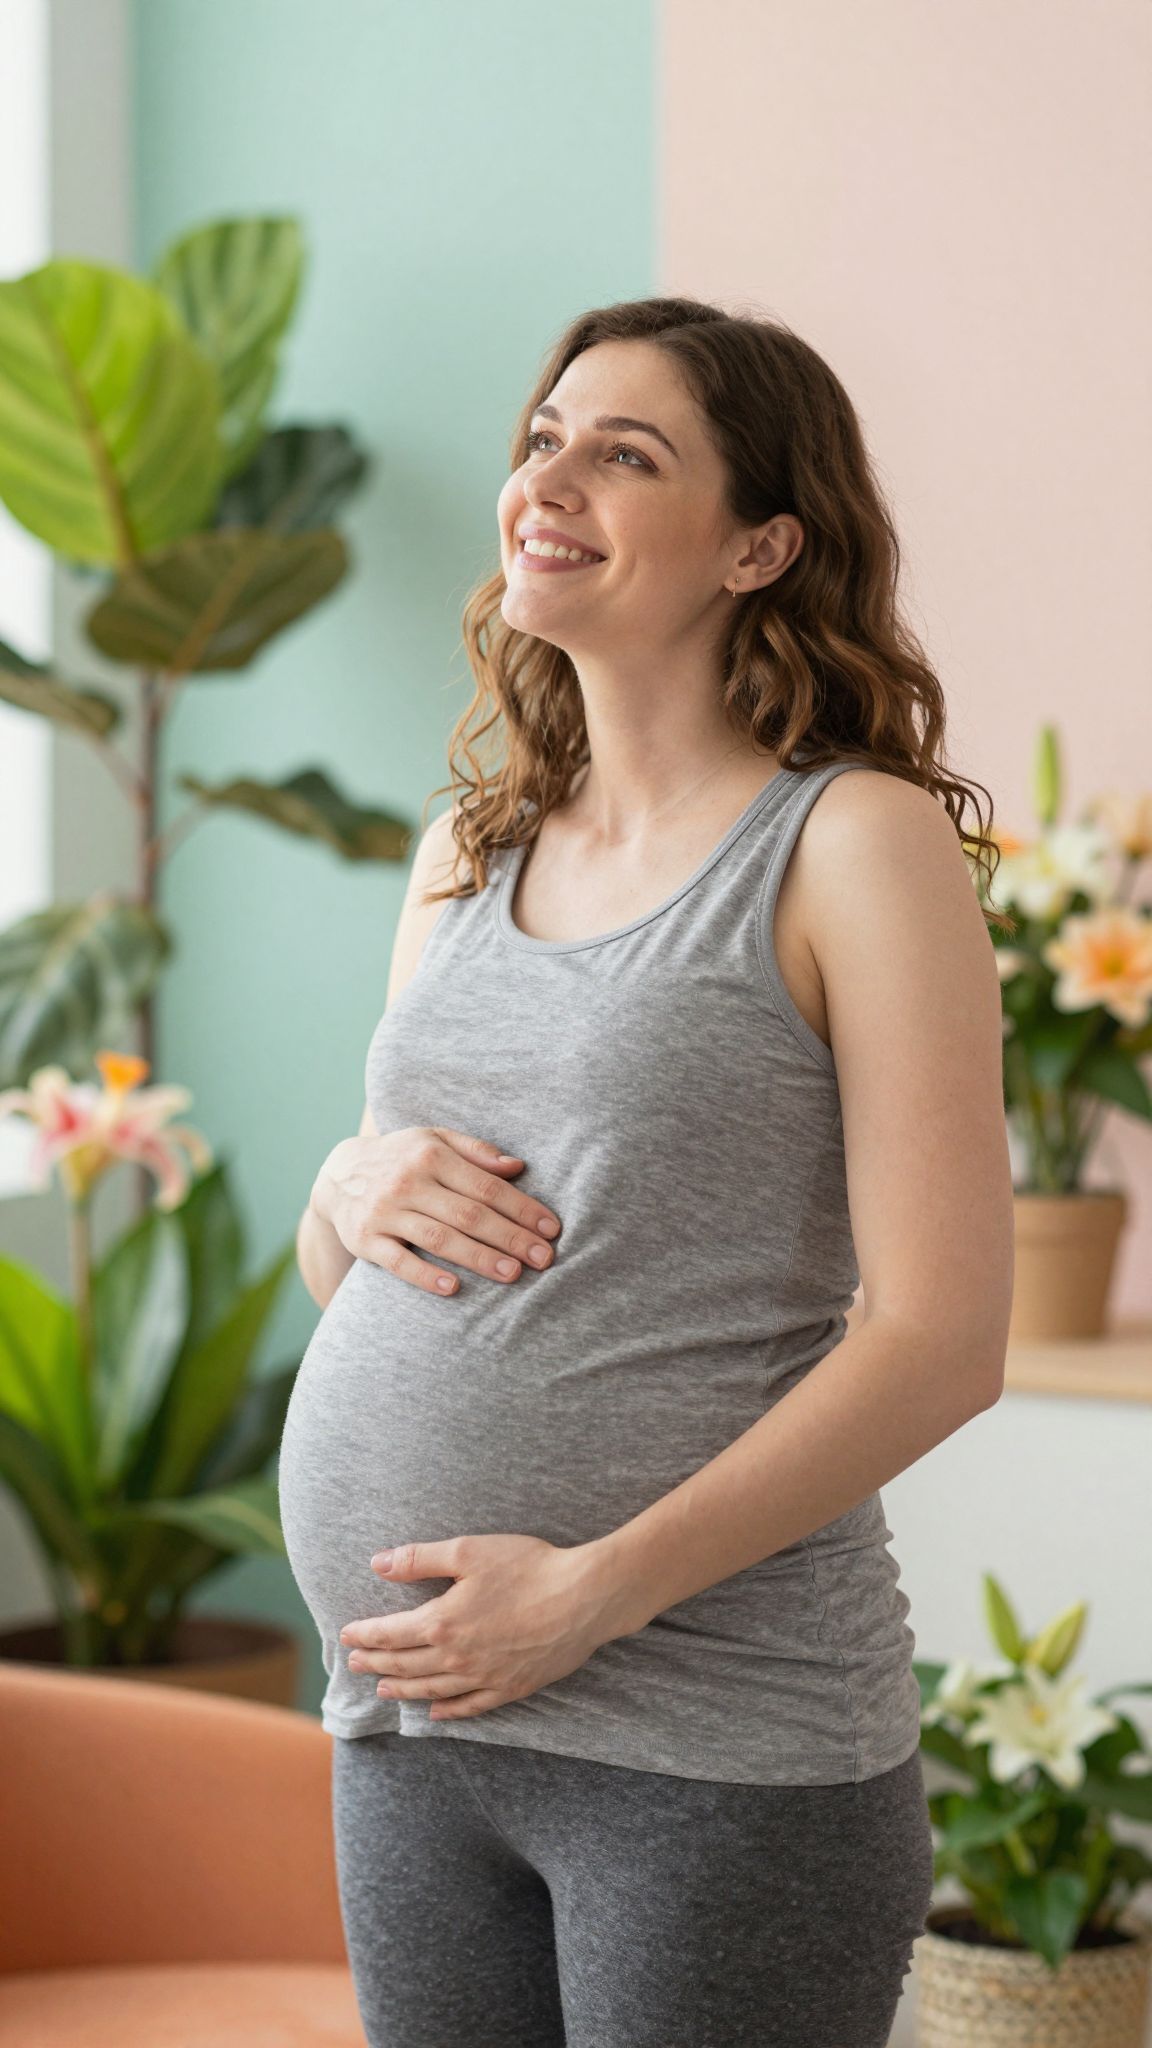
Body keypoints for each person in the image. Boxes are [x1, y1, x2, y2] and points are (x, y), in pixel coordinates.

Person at [281, 296, 1015, 2047]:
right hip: (413, 1728)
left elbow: (942, 1337)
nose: (553, 477)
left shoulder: (851, 842)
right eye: (545, 437)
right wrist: (343, 1197)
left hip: (715, 1743)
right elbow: (387, 1270)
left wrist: (586, 1594)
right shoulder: (474, 841)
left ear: (762, 542)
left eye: (629, 453)